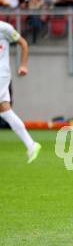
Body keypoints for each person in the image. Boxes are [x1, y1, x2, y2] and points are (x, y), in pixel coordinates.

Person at [0, 21, 41, 163]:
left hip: (1, 74)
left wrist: (23, 65)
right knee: (5, 110)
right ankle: (31, 145)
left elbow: (23, 43)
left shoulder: (4, 28)